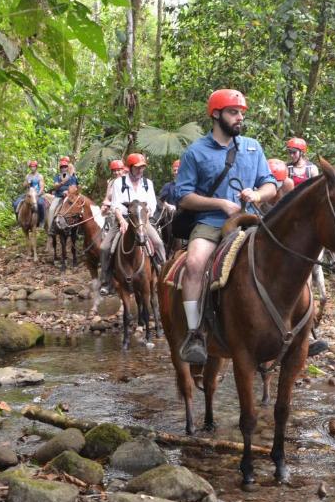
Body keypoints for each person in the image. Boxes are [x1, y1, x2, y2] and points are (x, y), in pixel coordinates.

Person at [174, 89, 277, 364]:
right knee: (195, 263)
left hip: (251, 222)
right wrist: (220, 204)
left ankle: (302, 327)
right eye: (233, 112)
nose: (239, 117)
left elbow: (270, 184)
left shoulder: (253, 147)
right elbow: (183, 196)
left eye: (241, 113)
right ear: (216, 114)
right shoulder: (195, 152)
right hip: (211, 223)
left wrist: (256, 195)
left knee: (287, 257)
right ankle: (195, 332)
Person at [98, 153, 167, 295]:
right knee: (105, 247)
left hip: (141, 219)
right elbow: (115, 205)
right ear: (130, 168)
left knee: (158, 243)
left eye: (142, 167)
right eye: (137, 168)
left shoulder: (148, 184)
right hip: (123, 218)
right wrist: (122, 220)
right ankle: (106, 280)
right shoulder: (118, 183)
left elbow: (152, 204)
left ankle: (163, 272)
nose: (141, 170)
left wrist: (146, 217)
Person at [46, 156, 78, 233]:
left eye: (65, 167)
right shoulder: (57, 177)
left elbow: (74, 187)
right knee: (51, 209)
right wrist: (62, 182)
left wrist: (68, 192)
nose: (63, 168)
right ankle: (51, 228)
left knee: (77, 208)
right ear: (60, 168)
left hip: (69, 197)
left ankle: (77, 228)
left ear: (67, 167)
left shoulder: (72, 177)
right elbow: (55, 186)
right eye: (62, 167)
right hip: (59, 197)